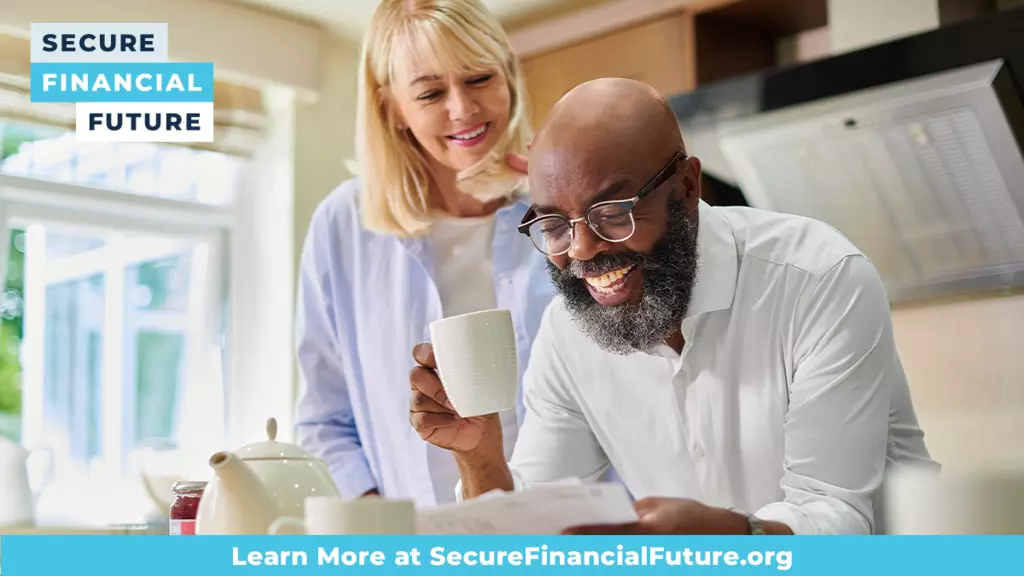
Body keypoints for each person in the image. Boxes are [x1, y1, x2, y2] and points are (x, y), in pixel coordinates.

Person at [409, 77, 940, 533]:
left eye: (612, 213)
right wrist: (479, 458)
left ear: (687, 187)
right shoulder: (566, 333)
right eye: (554, 225)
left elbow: (840, 516)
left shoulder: (818, 279)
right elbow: (539, 526)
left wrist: (733, 536)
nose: (582, 250)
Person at [293, 0, 557, 507]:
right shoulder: (344, 224)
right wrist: (383, 529)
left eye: (479, 78)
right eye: (431, 93)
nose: (463, 108)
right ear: (392, 108)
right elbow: (324, 420)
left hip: (568, 529)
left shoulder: (563, 209)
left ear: (507, 72)